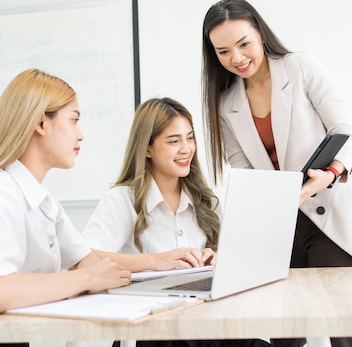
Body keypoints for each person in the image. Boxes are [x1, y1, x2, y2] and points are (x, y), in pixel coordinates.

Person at [200, 0, 352, 347]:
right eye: (224, 51)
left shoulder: (299, 66)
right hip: (281, 225)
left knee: (341, 330)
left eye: (244, 44)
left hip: (331, 213)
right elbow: (244, 172)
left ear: (260, 33)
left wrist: (330, 173)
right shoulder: (225, 102)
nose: (237, 58)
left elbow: (345, 132)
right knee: (284, 334)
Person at [0, 69, 131, 347]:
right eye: (74, 120)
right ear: (42, 123)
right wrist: (84, 279)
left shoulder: (42, 200)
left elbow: (89, 262)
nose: (81, 135)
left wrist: (154, 265)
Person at [83, 97, 270, 347]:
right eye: (174, 141)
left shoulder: (207, 201)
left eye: (189, 138)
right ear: (147, 149)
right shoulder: (121, 200)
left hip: (206, 326)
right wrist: (155, 261)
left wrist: (217, 259)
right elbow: (85, 260)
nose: (186, 149)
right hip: (150, 331)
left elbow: (232, 265)